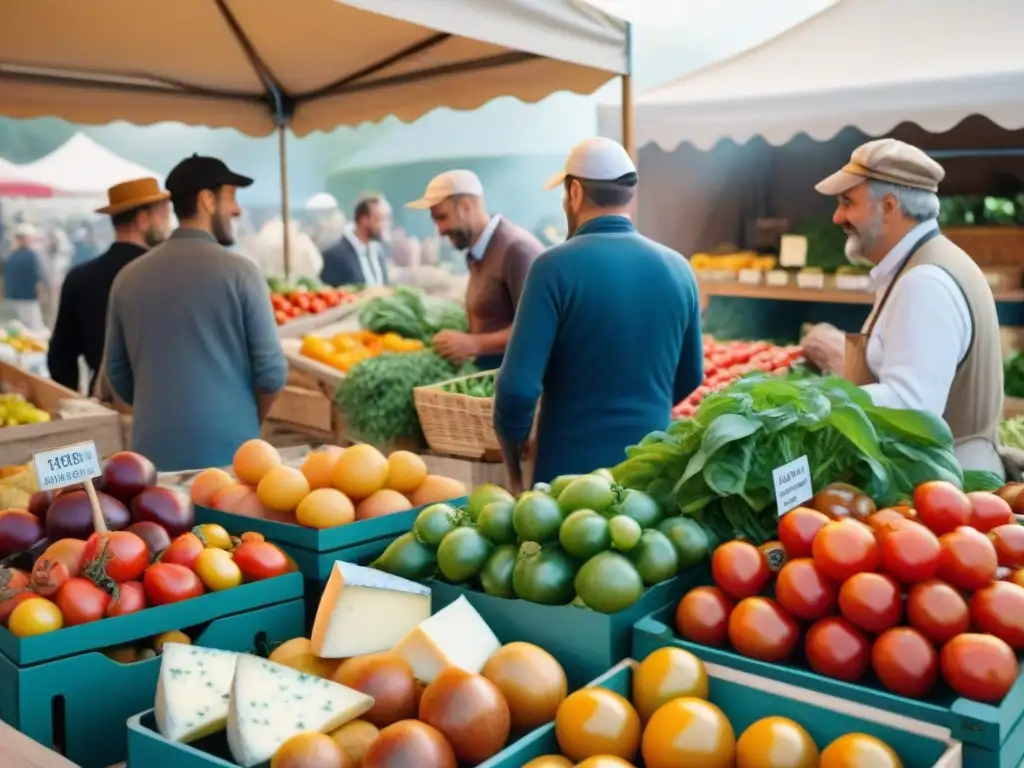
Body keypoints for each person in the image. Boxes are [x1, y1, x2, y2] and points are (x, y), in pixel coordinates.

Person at [493, 138, 704, 490]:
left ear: (574, 192)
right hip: (650, 475)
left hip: (569, 481)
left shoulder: (553, 268)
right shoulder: (679, 269)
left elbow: (516, 390)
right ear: (629, 197)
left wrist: (514, 467)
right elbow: (691, 375)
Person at [802, 138, 1004, 476]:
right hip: (941, 480)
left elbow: (912, 407)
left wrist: (818, 399)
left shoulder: (924, 281)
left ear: (890, 207)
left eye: (848, 203)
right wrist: (846, 360)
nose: (838, 217)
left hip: (951, 487)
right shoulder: (918, 265)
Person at [104, 154, 288, 471]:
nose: (237, 210)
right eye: (230, 198)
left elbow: (117, 375)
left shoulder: (127, 277)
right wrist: (244, 419)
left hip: (151, 458)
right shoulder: (241, 272)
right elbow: (271, 373)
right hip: (231, 455)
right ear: (206, 200)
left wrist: (165, 409)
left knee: (157, 522)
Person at [406, 170, 543, 369]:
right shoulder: (479, 251)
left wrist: (474, 344)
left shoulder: (517, 249)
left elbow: (538, 328)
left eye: (442, 217)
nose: (440, 229)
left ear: (465, 206)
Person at [48, 178, 171, 394]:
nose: (167, 225)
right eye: (163, 216)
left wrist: (79, 406)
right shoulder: (168, 275)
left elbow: (61, 356)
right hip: (161, 402)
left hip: (104, 400)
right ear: (142, 220)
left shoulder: (79, 277)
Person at [320, 196, 389, 287]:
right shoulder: (335, 256)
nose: (383, 226)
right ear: (364, 219)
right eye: (379, 220)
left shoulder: (378, 252)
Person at [3, 223, 47, 330]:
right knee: (32, 331)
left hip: (16, 299)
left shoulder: (10, 256)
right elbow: (42, 280)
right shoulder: (33, 256)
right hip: (25, 300)